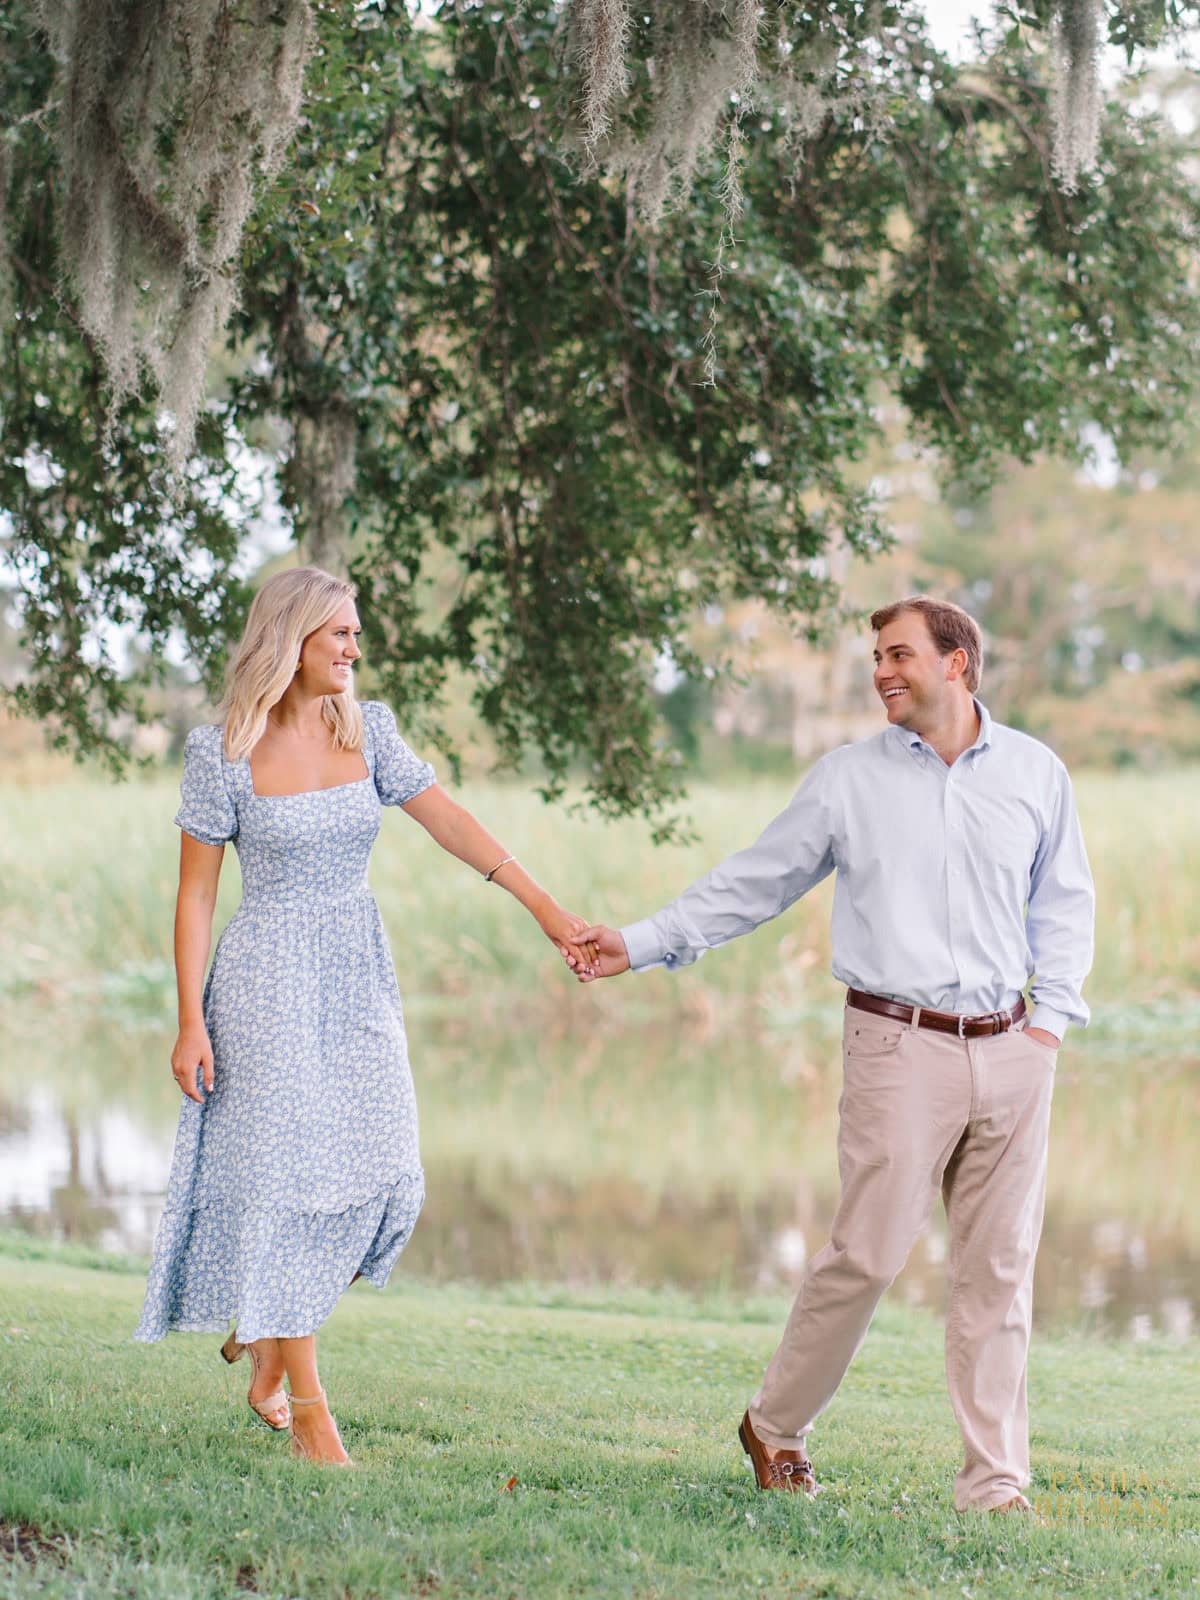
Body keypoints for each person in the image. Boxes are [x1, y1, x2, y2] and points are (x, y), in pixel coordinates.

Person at [565, 595, 1094, 1514]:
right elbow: (757, 880)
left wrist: (1049, 1026)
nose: (882, 672)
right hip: (897, 1045)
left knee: (999, 1272)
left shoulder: (1037, 774)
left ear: (958, 663)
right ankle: (776, 1426)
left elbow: (1065, 903)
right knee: (867, 1257)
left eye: (899, 655)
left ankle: (995, 1483)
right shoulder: (848, 779)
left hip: (1012, 1048)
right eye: (876, 658)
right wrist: (643, 941)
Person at [135, 565, 595, 1466]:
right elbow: (195, 899)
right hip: (264, 980)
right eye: (338, 633)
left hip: (355, 974)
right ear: (289, 639)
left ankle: (269, 1334)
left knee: (393, 1181)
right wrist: (189, 1020)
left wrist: (546, 910)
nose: (354, 647)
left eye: (355, 633)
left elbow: (450, 820)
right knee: (288, 1188)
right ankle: (307, 1405)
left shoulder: (368, 728)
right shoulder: (221, 751)